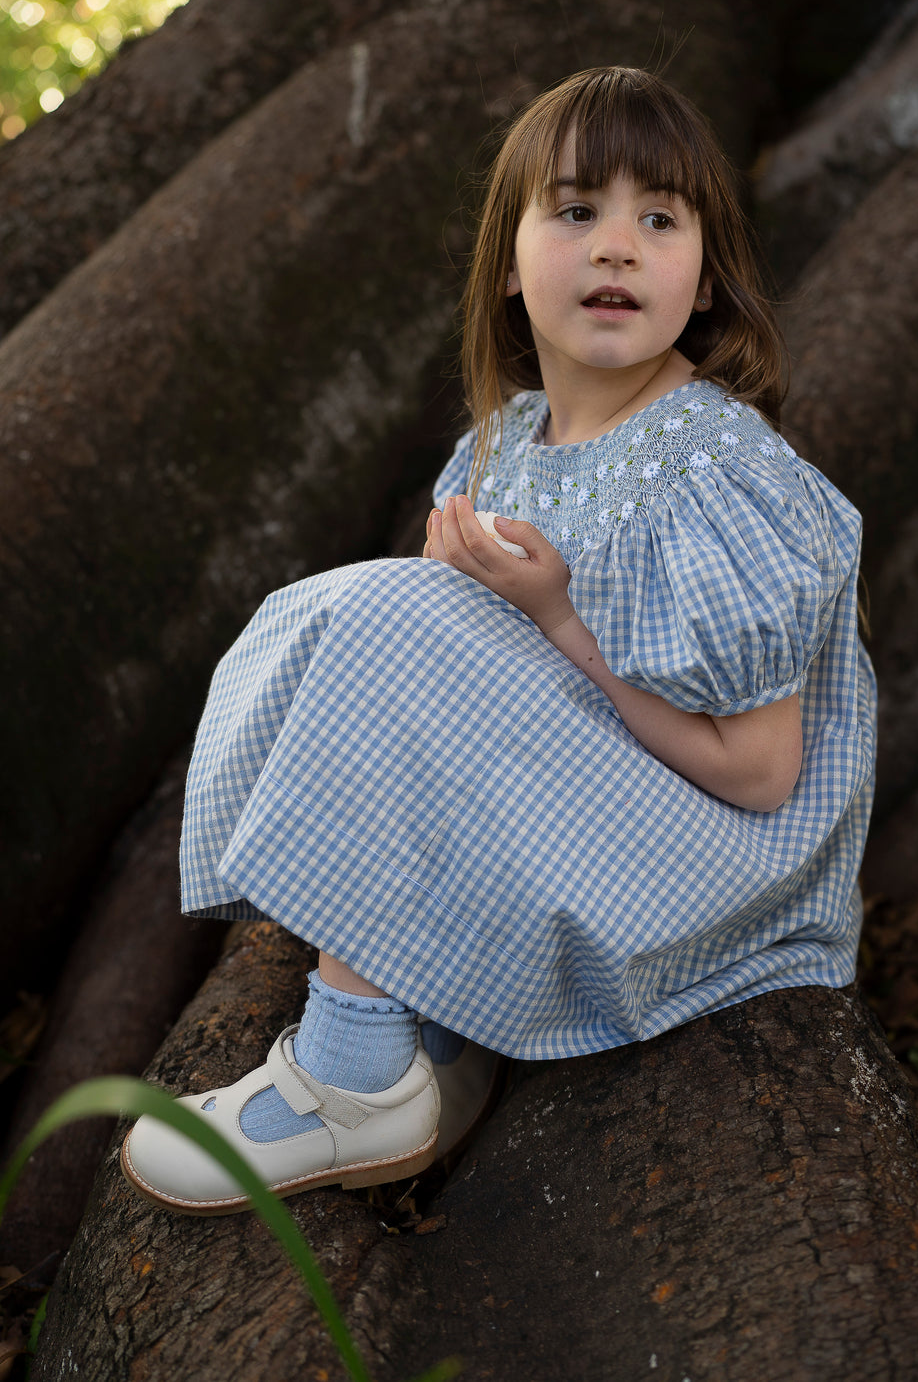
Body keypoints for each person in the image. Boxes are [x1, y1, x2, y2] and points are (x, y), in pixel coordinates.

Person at [122, 66, 875, 1214]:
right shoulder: (503, 444)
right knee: (341, 612)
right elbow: (439, 708)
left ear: (705, 278)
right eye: (575, 211)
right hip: (592, 828)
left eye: (657, 220)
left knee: (389, 618)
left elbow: (761, 776)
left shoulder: (714, 469)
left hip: (713, 875)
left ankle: (354, 1077)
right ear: (510, 267)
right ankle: (436, 1013)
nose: (615, 246)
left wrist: (556, 618)